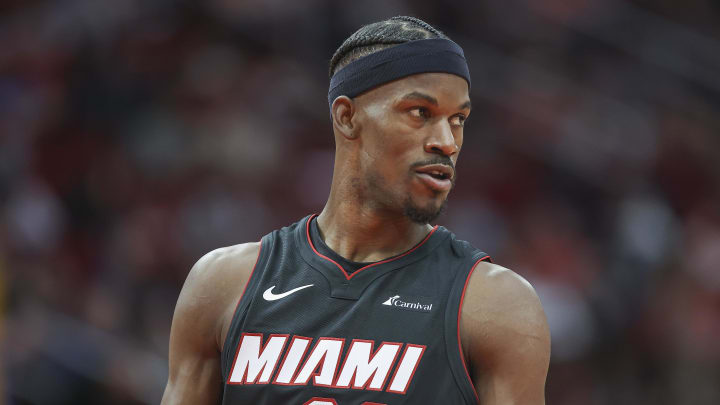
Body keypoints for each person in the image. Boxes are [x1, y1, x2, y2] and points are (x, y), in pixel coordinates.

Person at [161, 16, 550, 405]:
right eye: (420, 113)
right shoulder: (223, 284)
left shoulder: (494, 305)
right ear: (347, 117)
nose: (446, 142)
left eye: (458, 119)